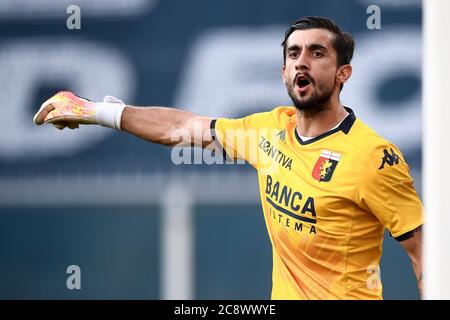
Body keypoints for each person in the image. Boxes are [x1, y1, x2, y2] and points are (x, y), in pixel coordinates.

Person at [33, 16, 423, 300]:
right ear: (284, 72)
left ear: (343, 73)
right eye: (293, 53)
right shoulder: (270, 130)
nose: (302, 61)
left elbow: (426, 255)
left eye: (317, 53)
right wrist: (96, 111)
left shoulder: (372, 157)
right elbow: (183, 126)